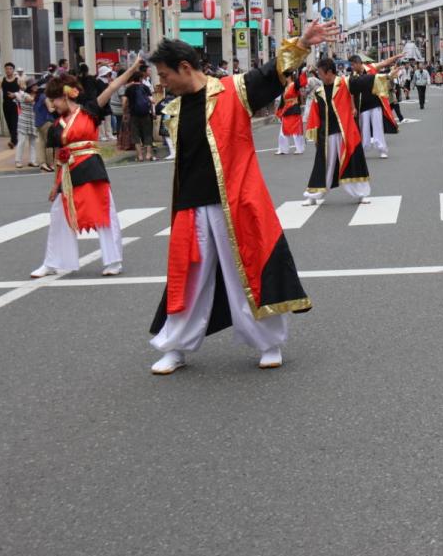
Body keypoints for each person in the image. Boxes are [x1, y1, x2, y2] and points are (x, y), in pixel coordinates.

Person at [147, 25, 332, 375]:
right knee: (188, 278)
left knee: (245, 271)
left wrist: (302, 44)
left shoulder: (233, 90)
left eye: (165, 74)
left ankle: (269, 343)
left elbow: (272, 74)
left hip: (235, 202)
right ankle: (175, 347)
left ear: (185, 67)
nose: (163, 82)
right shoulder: (172, 110)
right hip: (190, 205)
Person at [29, 62, 142, 279]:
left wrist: (131, 69)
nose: (52, 105)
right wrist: (55, 186)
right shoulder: (56, 126)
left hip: (91, 169)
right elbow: (58, 157)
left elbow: (111, 87)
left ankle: (113, 261)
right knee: (58, 215)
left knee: (104, 213)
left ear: (65, 96)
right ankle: (52, 262)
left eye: (54, 100)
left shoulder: (89, 111)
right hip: (68, 173)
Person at [303, 57, 372, 205]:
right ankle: (313, 195)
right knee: (324, 165)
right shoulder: (319, 92)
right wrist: (315, 135)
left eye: (321, 74)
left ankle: (362, 194)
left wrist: (387, 76)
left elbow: (365, 82)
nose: (319, 76)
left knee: (353, 162)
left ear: (329, 72)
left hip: (345, 133)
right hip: (327, 135)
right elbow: (315, 115)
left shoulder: (345, 83)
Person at [349, 53, 402, 159]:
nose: (352, 67)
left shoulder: (371, 68)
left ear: (359, 63)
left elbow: (385, 63)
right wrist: (353, 107)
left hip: (375, 103)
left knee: (378, 127)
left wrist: (396, 57)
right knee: (364, 129)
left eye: (353, 65)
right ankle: (363, 149)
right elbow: (351, 93)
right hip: (362, 106)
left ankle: (382, 149)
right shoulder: (352, 76)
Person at [124, 67, 156, 161]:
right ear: (141, 78)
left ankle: (140, 156)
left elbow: (125, 102)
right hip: (145, 113)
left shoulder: (129, 89)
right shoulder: (145, 88)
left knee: (135, 135)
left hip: (134, 114)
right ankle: (148, 154)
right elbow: (152, 101)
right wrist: (153, 112)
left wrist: (125, 112)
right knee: (147, 134)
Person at [274, 69, 307, 155]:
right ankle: (283, 149)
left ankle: (300, 149)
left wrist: (303, 72)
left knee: (296, 131)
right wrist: (279, 111)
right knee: (283, 131)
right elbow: (282, 101)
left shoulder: (294, 85)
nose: (284, 79)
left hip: (294, 109)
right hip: (286, 110)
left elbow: (300, 83)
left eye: (285, 77)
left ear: (289, 77)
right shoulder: (285, 88)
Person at [13, 77, 38, 168]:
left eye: (36, 85)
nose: (36, 86)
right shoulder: (24, 95)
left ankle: (32, 160)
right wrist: (37, 94)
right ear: (30, 86)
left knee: (33, 141)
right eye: (34, 85)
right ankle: (18, 161)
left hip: (32, 120)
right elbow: (30, 100)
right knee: (22, 141)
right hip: (23, 120)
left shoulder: (35, 94)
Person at [0, 61, 20, 148]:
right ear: (5, 70)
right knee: (9, 123)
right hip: (6, 104)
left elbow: (23, 90)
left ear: (13, 70)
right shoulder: (2, 79)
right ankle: (15, 139)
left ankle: (13, 141)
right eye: (7, 69)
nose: (8, 70)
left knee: (14, 123)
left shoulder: (18, 79)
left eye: (10, 69)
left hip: (15, 104)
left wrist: (15, 94)